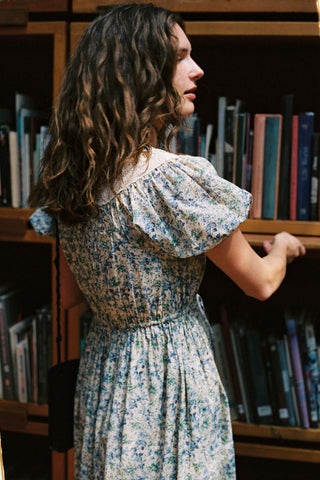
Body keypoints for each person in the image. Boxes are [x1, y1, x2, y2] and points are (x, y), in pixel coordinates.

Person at [29, 3, 306, 479]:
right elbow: (259, 284)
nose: (197, 69)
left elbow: (69, 298)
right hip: (169, 381)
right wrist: (280, 246)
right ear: (138, 71)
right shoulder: (170, 181)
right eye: (180, 57)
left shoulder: (73, 179)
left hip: (106, 376)